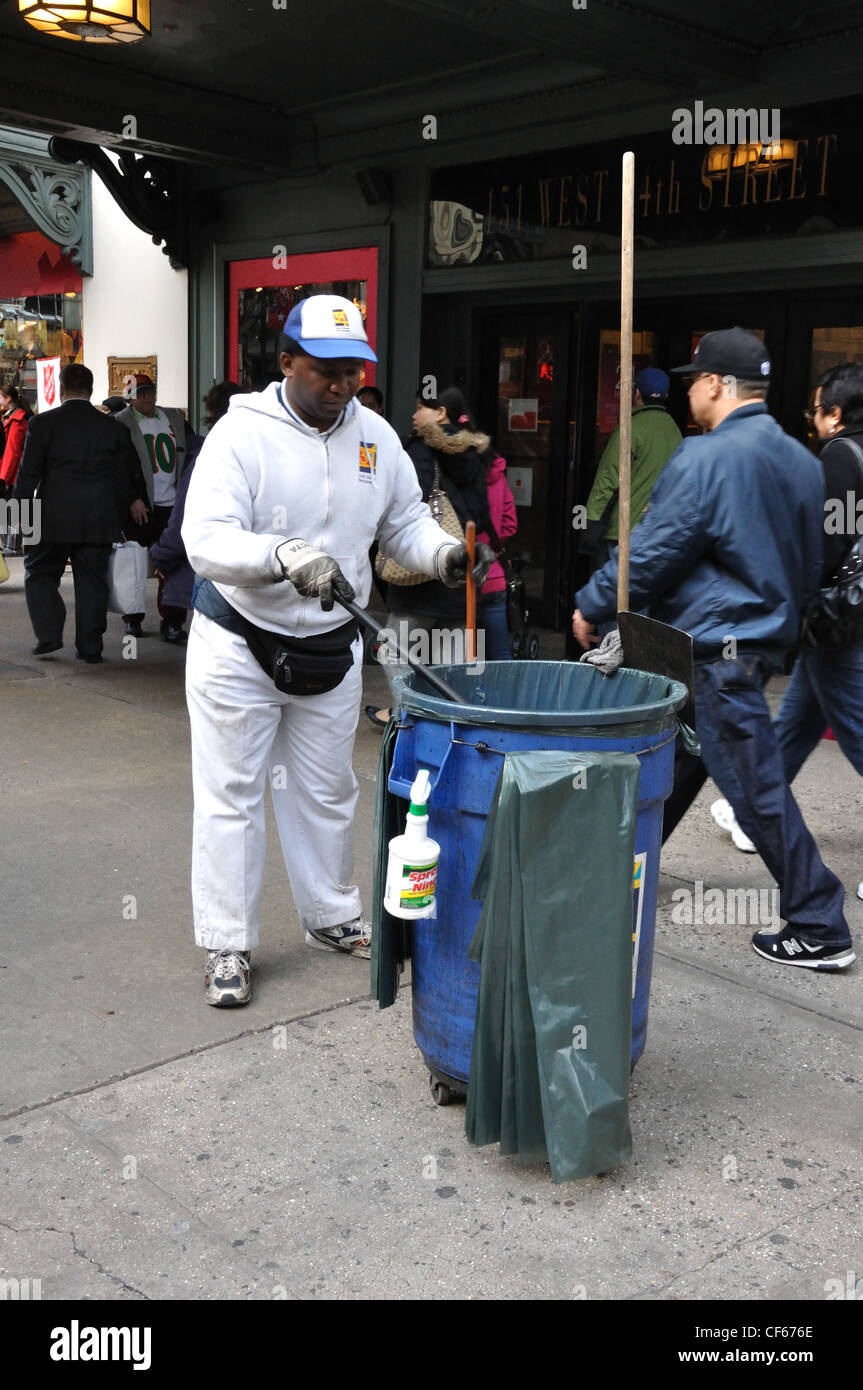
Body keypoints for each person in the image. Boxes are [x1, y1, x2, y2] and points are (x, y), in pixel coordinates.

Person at [180, 295, 491, 1006]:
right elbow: (206, 540)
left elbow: (403, 522)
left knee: (327, 790)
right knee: (231, 796)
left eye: (353, 370)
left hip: (330, 643)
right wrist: (281, 553)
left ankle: (332, 916)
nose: (341, 384)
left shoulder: (375, 438)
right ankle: (227, 942)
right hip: (239, 639)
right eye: (325, 370)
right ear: (285, 362)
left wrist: (442, 554)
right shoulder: (239, 436)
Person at [572, 327, 855, 973]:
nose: (687, 391)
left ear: (713, 385)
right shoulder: (801, 462)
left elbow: (651, 552)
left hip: (711, 652)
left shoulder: (705, 460)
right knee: (671, 767)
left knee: (756, 792)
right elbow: (813, 561)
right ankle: (614, 871)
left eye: (691, 379)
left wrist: (591, 601)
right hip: (741, 647)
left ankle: (818, 922)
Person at [712, 362, 863, 897]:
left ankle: (750, 807)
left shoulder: (842, 457)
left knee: (857, 729)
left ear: (835, 413)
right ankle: (749, 810)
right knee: (798, 718)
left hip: (840, 623)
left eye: (815, 409)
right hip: (842, 622)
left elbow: (827, 548)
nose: (812, 419)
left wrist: (788, 599)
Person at [365, 385, 491, 729]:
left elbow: (407, 513)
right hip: (461, 569)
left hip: (421, 577)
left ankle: (413, 719)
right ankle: (450, 726)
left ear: (440, 414)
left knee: (393, 650)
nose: (414, 414)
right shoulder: (475, 453)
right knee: (451, 664)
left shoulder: (419, 451)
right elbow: (480, 512)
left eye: (421, 407)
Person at [12, 364, 146, 663]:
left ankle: (48, 636)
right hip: (99, 517)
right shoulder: (114, 428)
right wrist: (131, 503)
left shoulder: (42, 424)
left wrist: (17, 513)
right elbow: (125, 476)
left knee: (40, 573)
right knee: (92, 581)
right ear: (91, 389)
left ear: (61, 388)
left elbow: (28, 474)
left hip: (51, 517)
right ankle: (90, 647)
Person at [149, 382, 242, 628]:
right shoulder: (261, 451)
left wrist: (160, 556)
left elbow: (183, 520)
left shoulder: (208, 455)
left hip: (219, 574)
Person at [114, 374, 193, 641]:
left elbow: (191, 452)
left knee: (173, 563)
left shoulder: (174, 418)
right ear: (130, 396)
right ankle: (132, 618)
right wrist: (131, 499)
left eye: (151, 392)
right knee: (133, 564)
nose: (148, 397)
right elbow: (118, 469)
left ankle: (172, 621)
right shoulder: (120, 423)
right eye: (142, 393)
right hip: (140, 505)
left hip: (172, 504)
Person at [580, 366, 682, 566]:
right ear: (666, 395)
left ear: (636, 393)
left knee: (611, 591)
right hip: (656, 532)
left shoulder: (630, 428)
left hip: (622, 532)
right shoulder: (674, 431)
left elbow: (608, 479)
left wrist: (590, 523)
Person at [477, 447, 517, 661]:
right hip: (494, 576)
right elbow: (510, 524)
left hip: (465, 578)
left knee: (464, 657)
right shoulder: (499, 476)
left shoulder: (458, 476)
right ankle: (507, 695)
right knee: (501, 654)